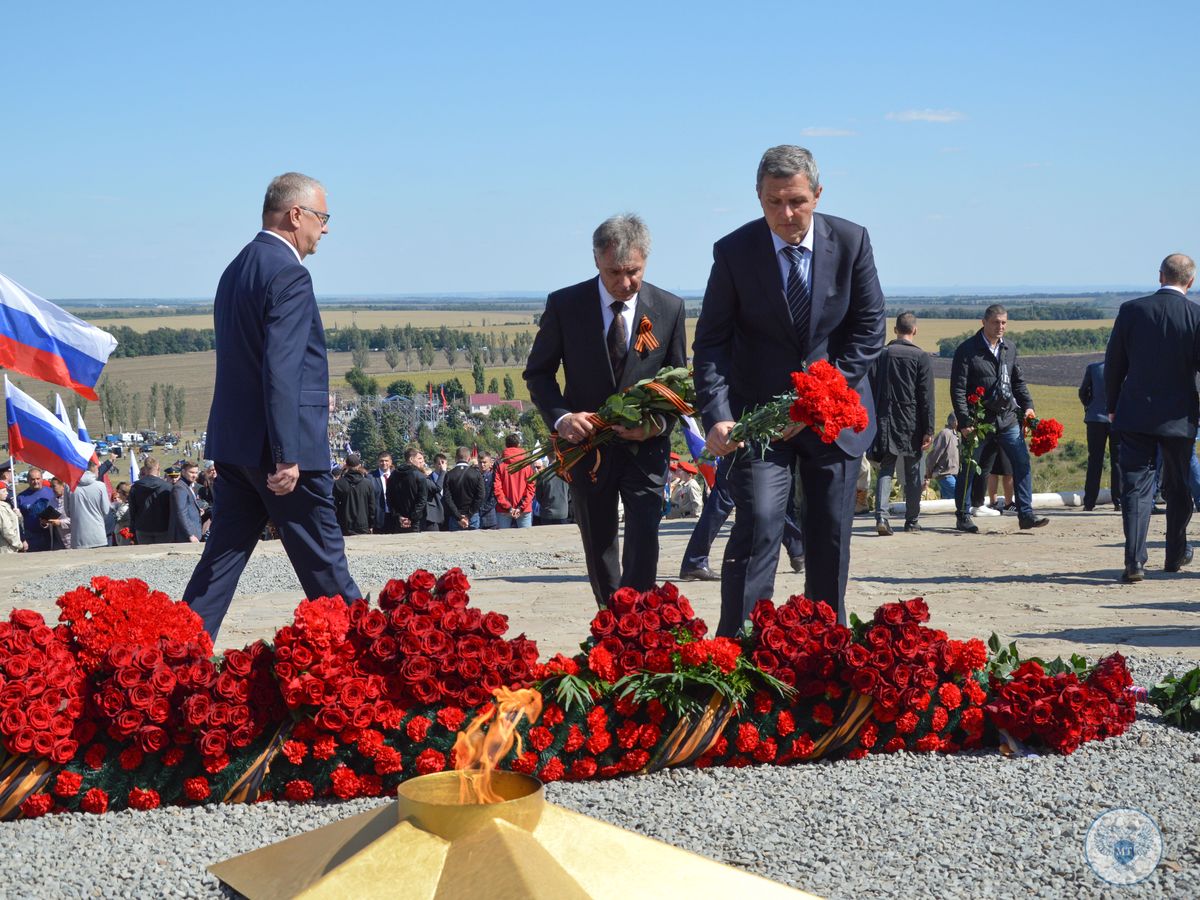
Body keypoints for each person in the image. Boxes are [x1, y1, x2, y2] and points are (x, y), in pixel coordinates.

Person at [693, 145, 885, 633]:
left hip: (833, 419)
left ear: (817, 195)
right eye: (773, 202)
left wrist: (819, 399)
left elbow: (868, 330)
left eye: (796, 200)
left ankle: (823, 649)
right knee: (757, 523)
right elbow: (712, 342)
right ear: (758, 198)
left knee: (830, 537)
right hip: (758, 422)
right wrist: (716, 414)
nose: (786, 213)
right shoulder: (734, 252)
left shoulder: (851, 240)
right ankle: (739, 652)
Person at [181, 172, 361, 640]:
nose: (326, 229)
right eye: (322, 218)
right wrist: (287, 455)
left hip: (236, 449)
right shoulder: (289, 273)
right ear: (294, 214)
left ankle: (173, 661)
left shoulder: (236, 267)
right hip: (282, 456)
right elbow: (281, 371)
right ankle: (374, 665)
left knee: (216, 571)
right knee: (327, 572)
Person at [525, 214, 687, 608]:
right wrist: (563, 418)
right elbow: (539, 373)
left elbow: (678, 386)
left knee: (645, 538)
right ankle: (611, 617)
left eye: (634, 271)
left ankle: (639, 621)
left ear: (645, 261)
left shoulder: (669, 307)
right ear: (596, 260)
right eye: (615, 272)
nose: (626, 282)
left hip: (647, 451)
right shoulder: (565, 305)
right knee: (599, 542)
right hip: (588, 449)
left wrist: (658, 424)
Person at [1105, 254, 1200, 583]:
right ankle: (1174, 555)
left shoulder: (1132, 310)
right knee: (1178, 487)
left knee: (1136, 488)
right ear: (1190, 281)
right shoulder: (1196, 315)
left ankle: (1134, 561)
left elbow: (1114, 362)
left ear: (1160, 276)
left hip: (1135, 413)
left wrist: (1114, 405)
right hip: (1180, 417)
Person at [949, 304, 1049, 534]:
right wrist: (965, 422)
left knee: (1021, 462)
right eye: (996, 322)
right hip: (978, 421)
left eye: (1004, 323)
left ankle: (1026, 514)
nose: (1000, 327)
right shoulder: (967, 350)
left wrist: (1029, 407)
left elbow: (1018, 382)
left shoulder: (1009, 348)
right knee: (970, 467)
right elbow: (958, 389)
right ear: (984, 322)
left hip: (1007, 418)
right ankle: (963, 515)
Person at [869, 311, 934, 535]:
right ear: (914, 330)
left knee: (886, 468)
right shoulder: (921, 357)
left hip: (886, 418)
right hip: (913, 420)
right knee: (914, 472)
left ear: (895, 330)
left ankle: (881, 517)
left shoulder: (883, 354)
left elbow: (872, 388)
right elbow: (926, 397)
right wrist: (929, 429)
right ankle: (912, 520)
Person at [1079, 359, 1121, 511]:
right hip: (1118, 419)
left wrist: (1090, 406)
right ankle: (1119, 500)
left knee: (1094, 461)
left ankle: (1089, 501)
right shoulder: (1126, 369)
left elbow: (1083, 392)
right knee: (1118, 461)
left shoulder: (1093, 368)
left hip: (1095, 419)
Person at [491, 434, 537, 529]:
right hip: (524, 509)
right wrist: (521, 507)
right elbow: (531, 488)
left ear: (506, 445)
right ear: (519, 444)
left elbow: (497, 489)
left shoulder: (499, 463)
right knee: (526, 540)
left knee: (504, 541)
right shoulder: (528, 462)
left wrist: (509, 507)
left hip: (504, 509)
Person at [387, 447, 434, 533]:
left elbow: (389, 499)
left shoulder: (393, 475)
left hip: (399, 521)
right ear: (411, 459)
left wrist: (398, 516)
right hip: (416, 522)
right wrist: (412, 517)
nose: (421, 461)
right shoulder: (419, 476)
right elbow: (422, 500)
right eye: (418, 458)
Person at [128, 456, 174, 544]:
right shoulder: (167, 486)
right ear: (158, 468)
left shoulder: (135, 487)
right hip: (163, 527)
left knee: (145, 556)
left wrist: (132, 529)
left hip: (142, 528)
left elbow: (132, 511)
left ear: (144, 469)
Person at [70, 458, 111, 549]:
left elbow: (68, 511)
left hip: (78, 536)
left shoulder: (69, 486)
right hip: (98, 535)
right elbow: (106, 510)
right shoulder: (100, 486)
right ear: (94, 468)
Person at [332, 452, 376, 536]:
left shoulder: (338, 484)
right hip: (363, 524)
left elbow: (334, 505)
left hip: (345, 525)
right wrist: (371, 524)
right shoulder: (367, 483)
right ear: (359, 465)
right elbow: (372, 506)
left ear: (346, 465)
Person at [443, 446, 485, 531]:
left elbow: (447, 498)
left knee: (455, 543)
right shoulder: (476, 474)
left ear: (456, 458)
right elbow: (481, 496)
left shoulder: (449, 475)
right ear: (469, 458)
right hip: (472, 516)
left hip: (455, 517)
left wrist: (458, 516)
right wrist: (469, 515)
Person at [17, 468, 55, 552]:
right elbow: (17, 521)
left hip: (51, 535)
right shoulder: (21, 497)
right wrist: (22, 539)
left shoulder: (52, 492)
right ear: (28, 480)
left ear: (42, 479)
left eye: (38, 479)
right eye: (32, 479)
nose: (36, 482)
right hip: (31, 538)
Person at [924, 414, 960, 500]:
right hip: (945, 474)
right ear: (955, 421)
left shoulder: (957, 435)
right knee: (959, 495)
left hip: (954, 474)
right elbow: (935, 454)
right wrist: (929, 469)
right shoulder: (945, 433)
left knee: (949, 501)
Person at [168, 461, 204, 543]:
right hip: (184, 536)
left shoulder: (187, 486)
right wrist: (190, 535)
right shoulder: (180, 488)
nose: (194, 475)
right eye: (191, 472)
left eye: (196, 472)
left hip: (190, 533)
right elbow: (181, 512)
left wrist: (198, 510)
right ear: (183, 472)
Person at [368, 452, 394, 533]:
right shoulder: (370, 477)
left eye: (386, 461)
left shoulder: (396, 475)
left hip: (394, 516)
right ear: (378, 462)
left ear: (390, 462)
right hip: (378, 518)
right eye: (381, 461)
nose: (384, 463)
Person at [0, 482, 26, 552]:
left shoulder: (6, 505)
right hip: (7, 548)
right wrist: (19, 544)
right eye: (3, 491)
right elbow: (7, 530)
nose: (7, 493)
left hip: (10, 546)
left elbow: (15, 523)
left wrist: (18, 515)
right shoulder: (1, 509)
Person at [478, 452, 498, 529]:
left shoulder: (494, 477)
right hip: (476, 518)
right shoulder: (474, 476)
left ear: (490, 463)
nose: (482, 465)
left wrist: (482, 509)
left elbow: (494, 497)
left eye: (484, 462)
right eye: (480, 462)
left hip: (490, 518)